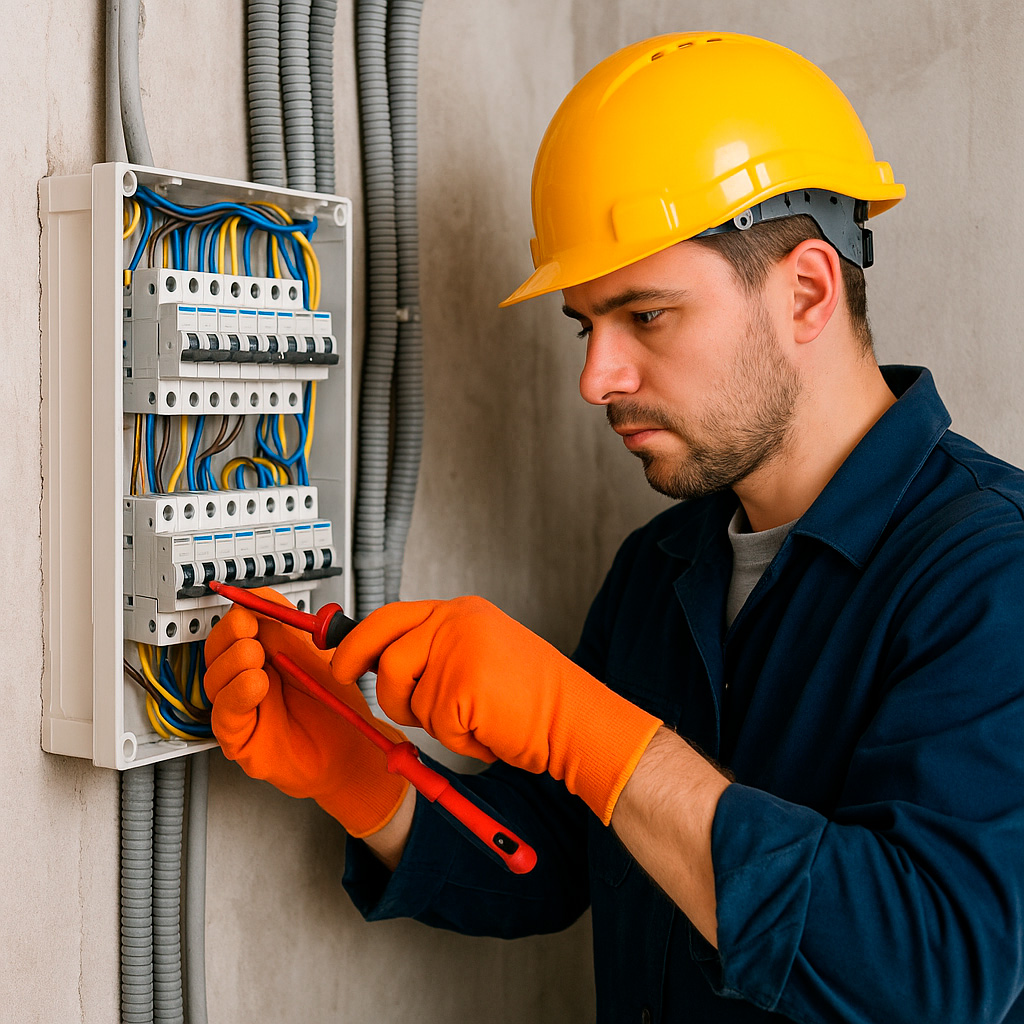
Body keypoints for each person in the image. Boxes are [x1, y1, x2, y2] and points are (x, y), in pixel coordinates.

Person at [203, 32, 1024, 1023]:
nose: (596, 378)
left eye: (646, 316)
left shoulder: (990, 573)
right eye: (585, 325)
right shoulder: (661, 565)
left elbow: (931, 976)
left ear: (807, 290)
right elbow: (556, 862)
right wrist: (366, 777)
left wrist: (588, 730)